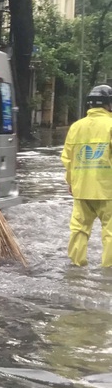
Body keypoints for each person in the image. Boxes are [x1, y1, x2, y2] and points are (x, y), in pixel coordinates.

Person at [61, 84, 112, 267]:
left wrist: (71, 182)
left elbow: (67, 159)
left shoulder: (76, 127)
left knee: (79, 229)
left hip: (81, 188)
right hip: (108, 191)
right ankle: (108, 272)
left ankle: (76, 267)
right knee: (110, 232)